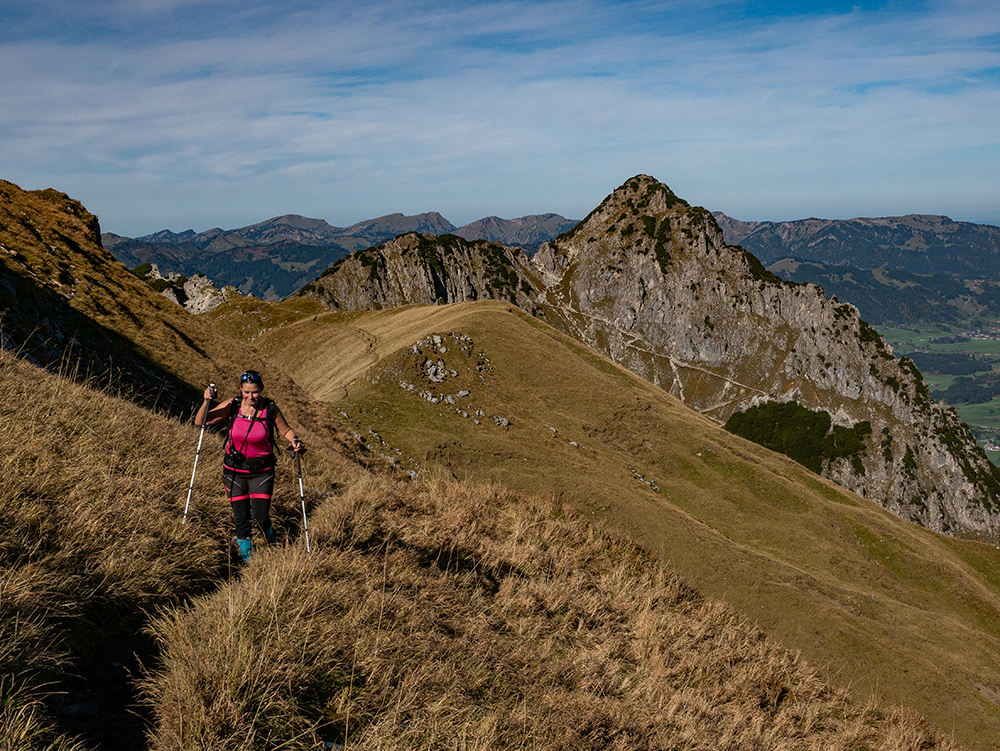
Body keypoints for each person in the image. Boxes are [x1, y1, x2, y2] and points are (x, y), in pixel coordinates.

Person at [195, 370, 304, 563]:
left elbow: (285, 430)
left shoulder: (270, 408)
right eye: (246, 392)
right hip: (234, 471)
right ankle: (248, 563)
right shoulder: (233, 405)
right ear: (240, 390)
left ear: (260, 390)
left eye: (254, 392)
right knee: (242, 521)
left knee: (261, 519)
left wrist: (295, 440)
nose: (250, 396)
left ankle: (271, 540)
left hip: (262, 471)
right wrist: (206, 401)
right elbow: (201, 421)